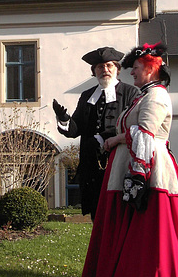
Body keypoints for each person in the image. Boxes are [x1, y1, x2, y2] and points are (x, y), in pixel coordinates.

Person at [79, 43, 178, 277]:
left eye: (135, 69)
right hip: (127, 164)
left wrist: (128, 162)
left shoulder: (156, 97)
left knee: (146, 235)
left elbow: (145, 135)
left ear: (149, 68)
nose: (131, 74)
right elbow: (134, 129)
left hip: (147, 170)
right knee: (123, 228)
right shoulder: (143, 96)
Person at [53, 47, 139, 220]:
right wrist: (64, 118)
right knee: (97, 211)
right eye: (100, 67)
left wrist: (101, 138)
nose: (105, 70)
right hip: (92, 164)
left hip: (119, 159)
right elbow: (75, 130)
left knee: (120, 211)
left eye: (109, 66)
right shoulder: (87, 95)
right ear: (94, 71)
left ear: (117, 69)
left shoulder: (131, 93)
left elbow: (132, 125)